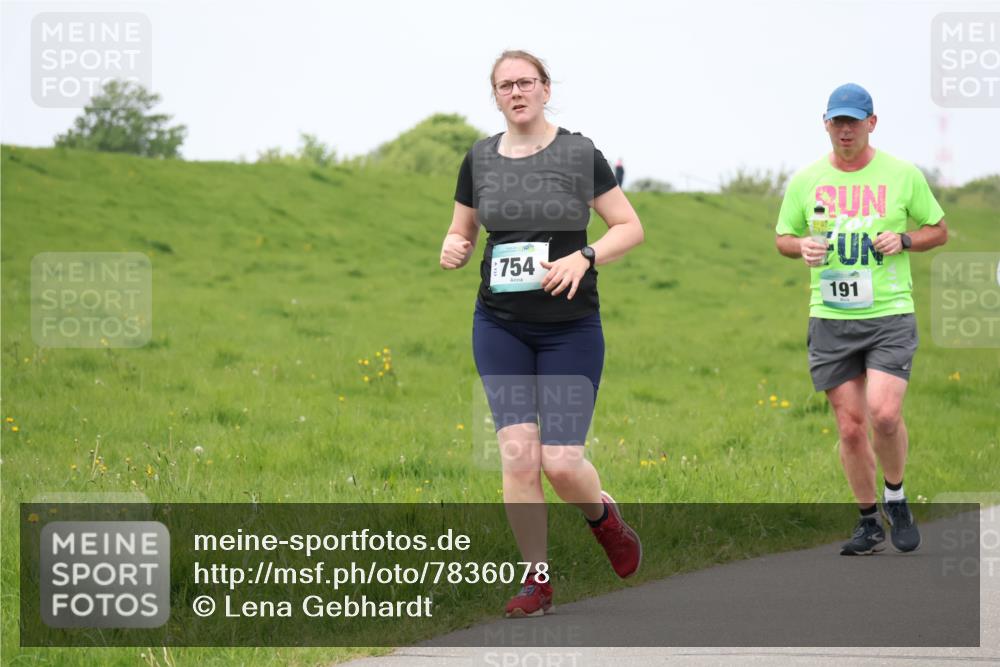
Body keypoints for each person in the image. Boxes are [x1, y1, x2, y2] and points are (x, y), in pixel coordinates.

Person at [440, 50, 645, 617]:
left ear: (546, 88)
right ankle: (537, 581)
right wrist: (451, 249)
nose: (516, 92)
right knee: (517, 455)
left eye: (525, 82)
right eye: (505, 85)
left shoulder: (579, 153)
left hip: (569, 328)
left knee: (559, 462)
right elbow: (461, 234)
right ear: (496, 95)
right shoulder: (479, 159)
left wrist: (586, 255)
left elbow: (629, 227)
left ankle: (604, 518)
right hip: (500, 325)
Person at [775, 83, 948, 556]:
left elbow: (939, 229)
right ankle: (869, 522)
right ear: (826, 124)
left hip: (890, 312)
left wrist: (906, 241)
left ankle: (896, 496)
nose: (845, 129)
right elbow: (783, 237)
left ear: (872, 123)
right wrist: (802, 247)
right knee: (851, 425)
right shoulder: (807, 180)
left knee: (885, 414)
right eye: (837, 121)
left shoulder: (902, 175)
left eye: (854, 121)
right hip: (831, 315)